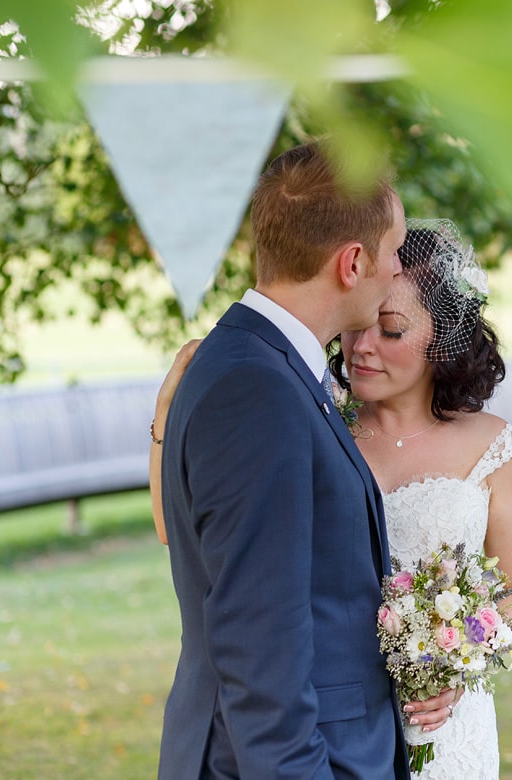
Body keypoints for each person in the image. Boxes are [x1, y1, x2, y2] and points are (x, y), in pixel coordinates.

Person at [152, 218, 512, 780]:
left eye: (393, 331)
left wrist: (456, 663)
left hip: (445, 727)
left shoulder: (495, 449)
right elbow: (176, 530)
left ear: (443, 338)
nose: (362, 347)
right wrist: (166, 420)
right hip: (332, 725)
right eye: (360, 325)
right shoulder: (312, 418)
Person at [154, 141, 415, 780]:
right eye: (395, 251)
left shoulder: (265, 366)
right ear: (353, 263)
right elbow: (259, 647)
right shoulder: (256, 389)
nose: (398, 271)